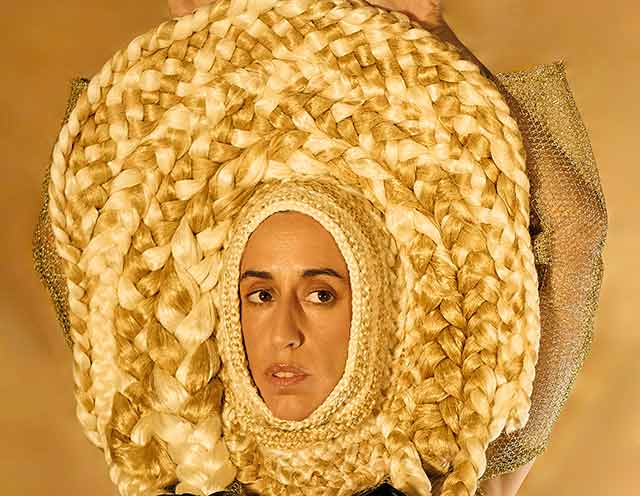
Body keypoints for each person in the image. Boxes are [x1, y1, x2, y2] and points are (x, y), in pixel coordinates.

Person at [32, 0, 607, 495]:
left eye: (321, 294)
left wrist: (437, 47)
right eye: (260, 294)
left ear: (376, 308)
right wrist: (200, 49)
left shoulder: (453, 453)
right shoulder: (179, 452)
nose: (284, 332)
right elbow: (79, 247)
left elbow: (576, 228)